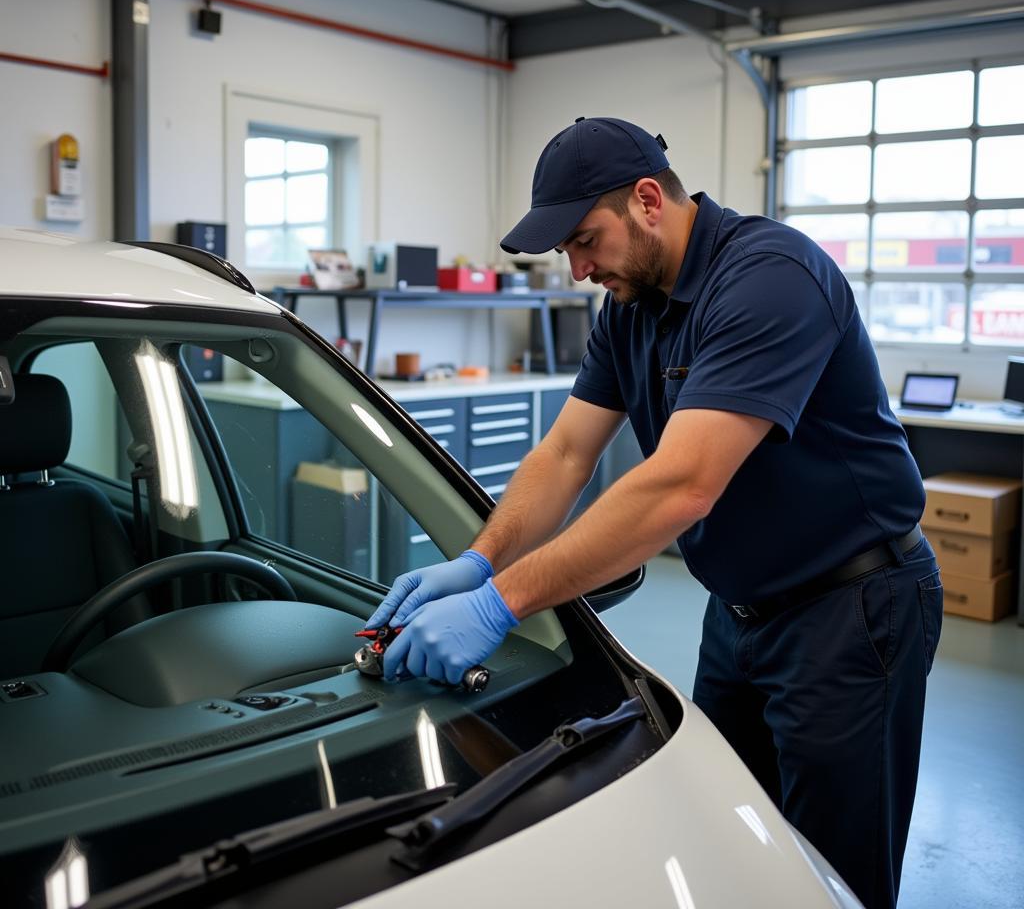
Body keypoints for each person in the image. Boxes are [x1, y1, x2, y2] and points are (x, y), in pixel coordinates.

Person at [366, 115, 942, 909]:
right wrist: (478, 558)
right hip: (741, 611)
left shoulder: (770, 276)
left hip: (852, 607)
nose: (576, 269)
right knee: (729, 835)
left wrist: (500, 604)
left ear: (647, 200)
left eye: (583, 240)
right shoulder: (628, 309)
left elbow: (681, 485)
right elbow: (566, 455)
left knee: (831, 875)